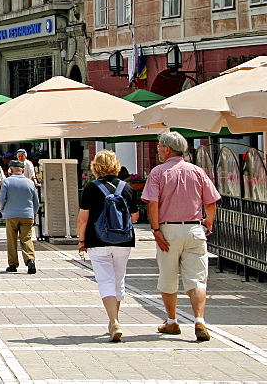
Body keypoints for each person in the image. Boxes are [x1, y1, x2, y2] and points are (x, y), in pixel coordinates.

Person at [142, 131, 222, 342]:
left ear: (167, 149)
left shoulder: (159, 172)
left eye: (159, 147)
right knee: (197, 279)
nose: (158, 150)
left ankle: (171, 321)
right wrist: (209, 222)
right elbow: (211, 202)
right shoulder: (197, 171)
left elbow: (152, 203)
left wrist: (156, 230)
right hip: (195, 229)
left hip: (169, 230)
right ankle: (199, 320)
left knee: (168, 277)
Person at [77, 149, 139, 342]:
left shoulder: (90, 188)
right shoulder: (126, 188)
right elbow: (135, 218)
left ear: (95, 167)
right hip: (123, 241)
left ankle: (113, 321)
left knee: (105, 281)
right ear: (116, 165)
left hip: (97, 241)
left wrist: (81, 241)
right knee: (119, 281)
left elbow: (82, 219)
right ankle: (116, 319)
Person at [0, 159, 39, 274]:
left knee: (11, 240)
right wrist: (34, 213)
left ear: (10, 170)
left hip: (11, 214)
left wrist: (3, 209)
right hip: (27, 214)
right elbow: (35, 201)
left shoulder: (7, 182)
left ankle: (13, 264)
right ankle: (30, 259)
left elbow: (2, 198)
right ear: (23, 170)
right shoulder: (30, 183)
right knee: (26, 238)